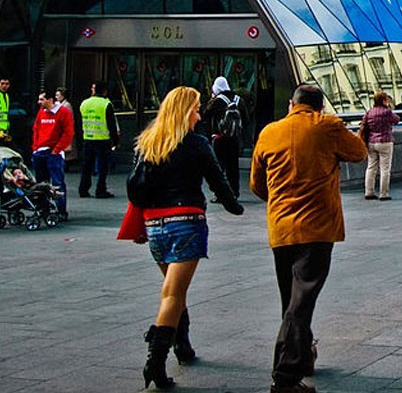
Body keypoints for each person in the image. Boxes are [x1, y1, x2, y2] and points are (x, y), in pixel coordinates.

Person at [250, 84, 367, 393]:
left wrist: (280, 202)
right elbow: (359, 152)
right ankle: (284, 377)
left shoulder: (269, 132)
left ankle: (303, 357)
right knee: (301, 302)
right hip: (316, 228)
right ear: (320, 107)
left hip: (281, 229)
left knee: (292, 299)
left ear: (291, 105)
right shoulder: (327, 126)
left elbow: (256, 184)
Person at [132, 86, 243, 389]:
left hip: (155, 225)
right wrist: (235, 206)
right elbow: (217, 180)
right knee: (172, 294)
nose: (199, 115)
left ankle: (183, 344)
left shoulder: (149, 141)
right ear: (184, 112)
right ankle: (155, 362)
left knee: (175, 289)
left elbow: (136, 186)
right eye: (195, 109)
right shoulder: (196, 143)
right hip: (185, 222)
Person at [202, 77, 247, 200]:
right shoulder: (238, 100)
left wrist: (212, 100)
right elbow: (246, 118)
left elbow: (205, 115)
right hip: (234, 139)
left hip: (219, 138)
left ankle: (220, 194)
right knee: (233, 167)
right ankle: (235, 192)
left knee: (219, 168)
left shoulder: (217, 101)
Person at [31, 90, 73, 218]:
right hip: (40, 151)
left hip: (54, 153)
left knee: (57, 183)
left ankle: (61, 211)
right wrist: (35, 147)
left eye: (42, 99)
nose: (39, 102)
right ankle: (43, 208)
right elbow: (36, 129)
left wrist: (57, 150)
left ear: (49, 100)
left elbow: (68, 133)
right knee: (41, 183)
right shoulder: (41, 112)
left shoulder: (63, 112)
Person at [78, 80, 120, 198]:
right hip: (102, 140)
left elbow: (80, 122)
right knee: (102, 168)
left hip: (88, 138)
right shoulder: (106, 104)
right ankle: (100, 190)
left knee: (86, 166)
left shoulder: (84, 103)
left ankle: (83, 189)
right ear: (105, 91)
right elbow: (111, 124)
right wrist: (115, 141)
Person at [361, 91, 400, 201]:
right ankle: (383, 194)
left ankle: (369, 192)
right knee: (385, 169)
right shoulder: (386, 112)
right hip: (385, 141)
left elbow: (364, 123)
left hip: (371, 142)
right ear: (384, 100)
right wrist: (389, 107)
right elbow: (397, 120)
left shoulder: (370, 112)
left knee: (371, 167)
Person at [0, 76, 11, 144]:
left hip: (4, 130)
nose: (4, 86)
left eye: (7, 84)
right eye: (2, 83)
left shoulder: (6, 96)